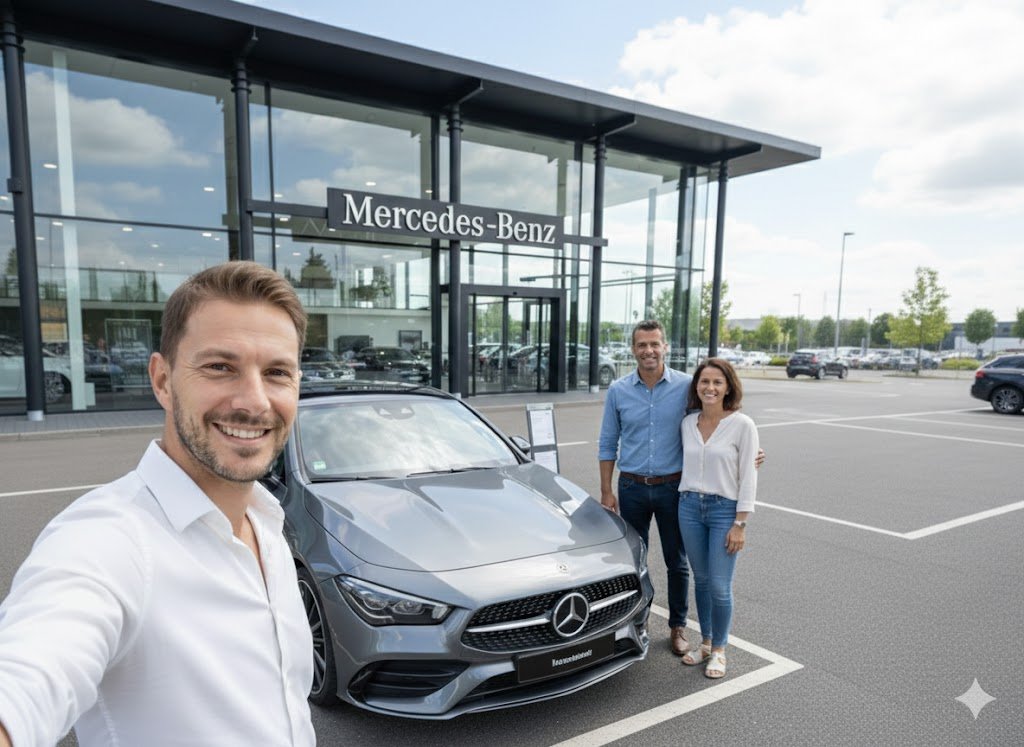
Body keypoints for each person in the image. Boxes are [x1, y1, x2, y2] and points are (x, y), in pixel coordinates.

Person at [0, 262, 316, 747]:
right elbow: (26, 678)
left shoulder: (265, 520)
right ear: (163, 381)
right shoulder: (108, 540)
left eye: (277, 372)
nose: (254, 402)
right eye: (219, 367)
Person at [598, 320, 695, 656]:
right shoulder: (619, 391)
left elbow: (715, 423)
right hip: (632, 489)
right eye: (642, 345)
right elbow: (608, 442)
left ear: (665, 346)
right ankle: (636, 621)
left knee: (677, 561)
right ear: (633, 349)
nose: (649, 351)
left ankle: (678, 626)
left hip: (673, 488)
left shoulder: (686, 386)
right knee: (632, 563)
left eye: (655, 344)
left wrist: (748, 447)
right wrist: (606, 490)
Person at [678, 357, 758, 679]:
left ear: (728, 388)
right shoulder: (688, 423)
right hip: (688, 508)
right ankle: (707, 642)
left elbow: (748, 475)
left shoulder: (743, 425)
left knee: (721, 587)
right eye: (704, 382)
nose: (710, 387)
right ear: (696, 386)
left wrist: (741, 523)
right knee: (702, 580)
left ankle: (721, 649)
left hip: (725, 510)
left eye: (717, 382)